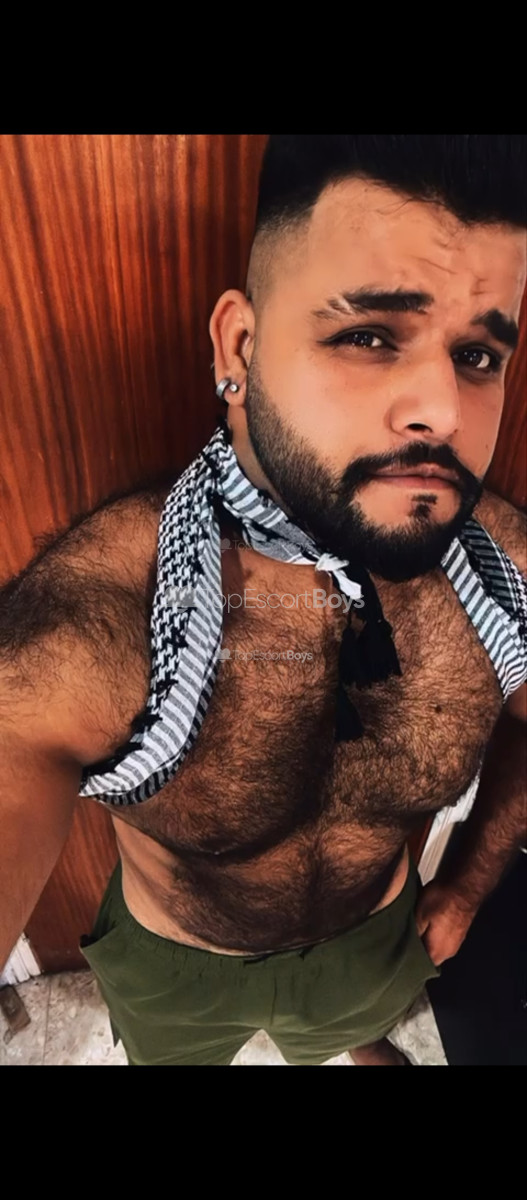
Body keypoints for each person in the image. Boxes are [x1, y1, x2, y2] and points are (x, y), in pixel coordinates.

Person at [1, 134, 526, 1067]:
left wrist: (466, 887)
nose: (442, 412)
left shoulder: (506, 582)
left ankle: (355, 1041)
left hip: (372, 943)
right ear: (238, 346)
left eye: (478, 354)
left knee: (353, 1032)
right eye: (370, 335)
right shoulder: (104, 618)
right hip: (178, 969)